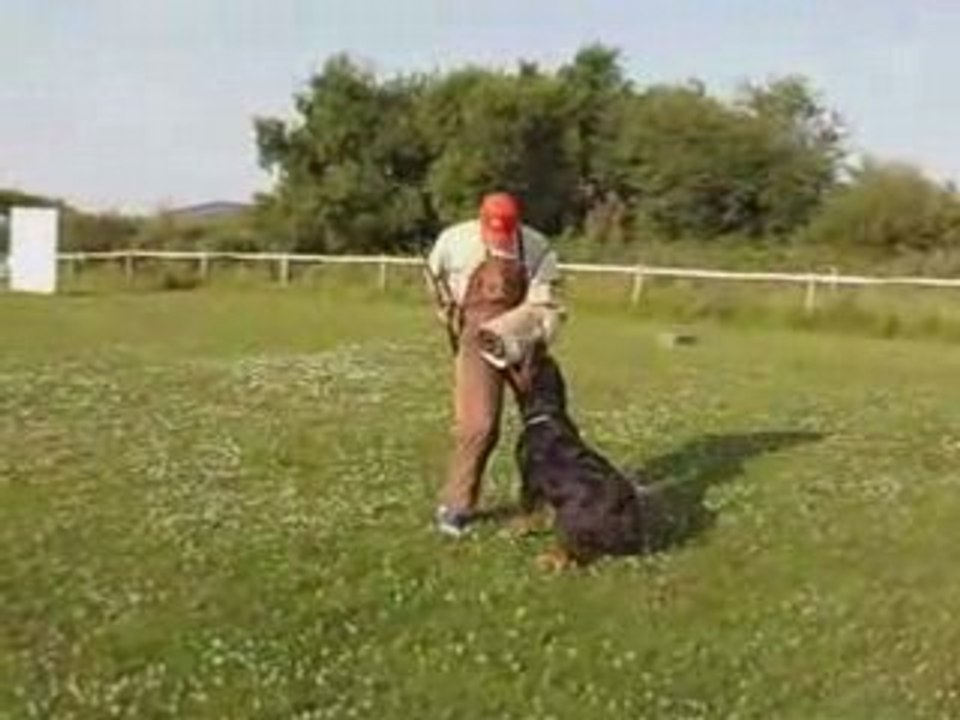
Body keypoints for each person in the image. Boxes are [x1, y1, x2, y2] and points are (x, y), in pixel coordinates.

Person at [425, 191, 561, 537]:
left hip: (521, 331)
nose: (499, 240)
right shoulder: (454, 240)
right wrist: (443, 308)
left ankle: (546, 498)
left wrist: (525, 327)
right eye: (493, 232)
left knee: (547, 419)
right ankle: (455, 506)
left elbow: (543, 298)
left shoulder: (536, 246)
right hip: (474, 336)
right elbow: (432, 274)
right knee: (480, 425)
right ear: (481, 220)